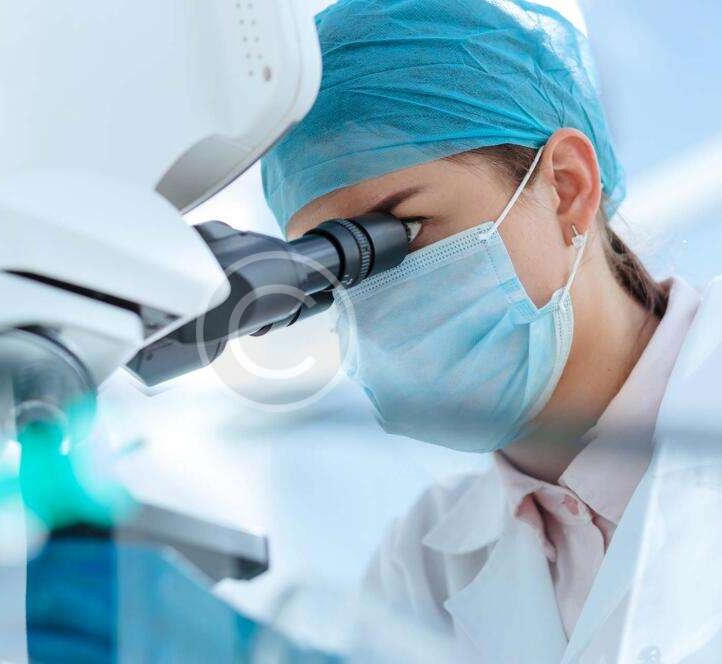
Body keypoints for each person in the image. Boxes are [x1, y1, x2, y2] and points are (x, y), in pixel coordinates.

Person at [261, 1, 722, 662]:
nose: (374, 299)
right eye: (333, 271)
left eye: (399, 232)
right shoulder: (419, 571)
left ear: (566, 187)